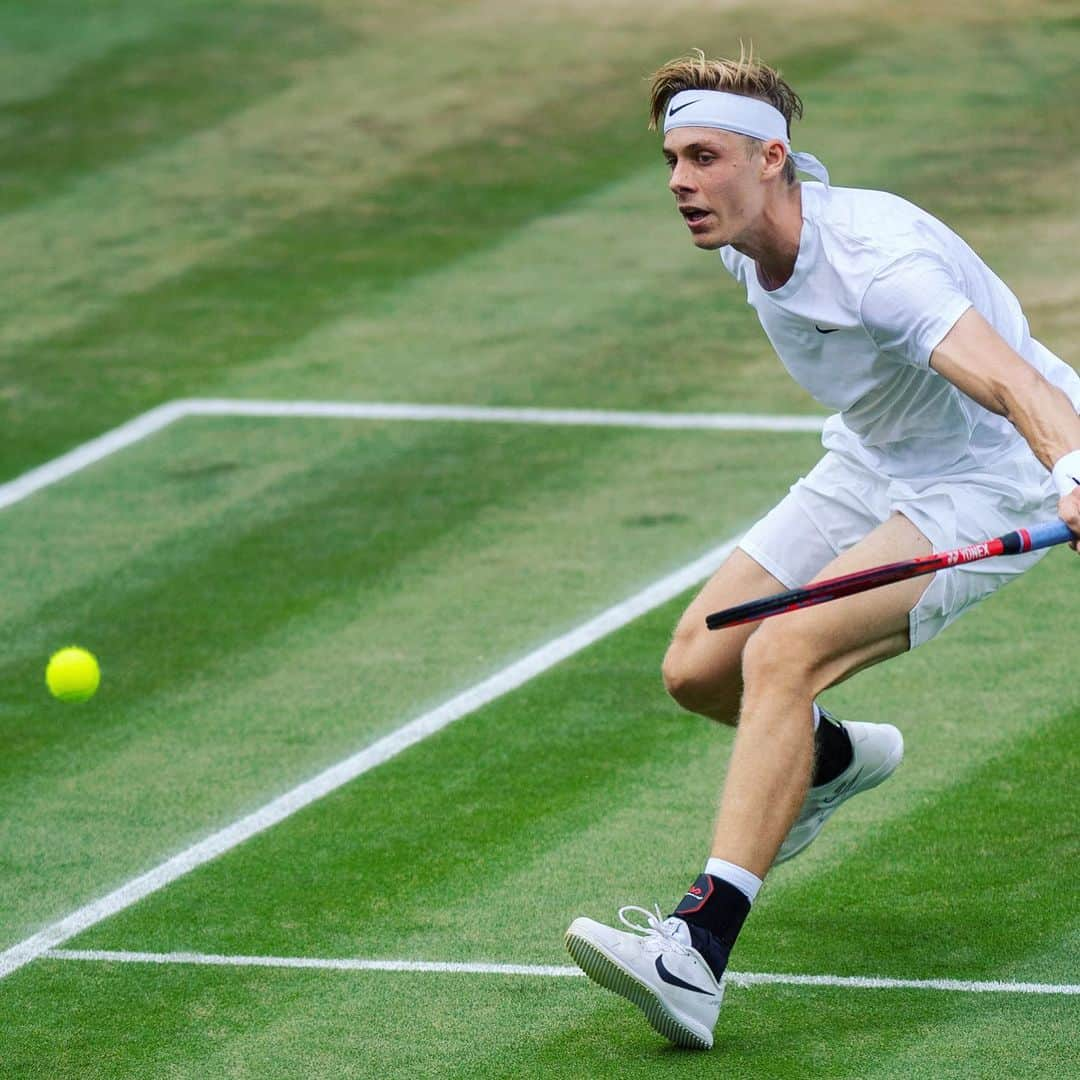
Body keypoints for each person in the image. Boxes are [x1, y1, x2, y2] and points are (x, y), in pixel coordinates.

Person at [563, 47, 1080, 1051]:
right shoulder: (743, 240)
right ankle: (828, 761)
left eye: (704, 156)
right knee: (699, 666)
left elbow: (1017, 382)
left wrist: (1076, 469)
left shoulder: (878, 264)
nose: (679, 182)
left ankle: (695, 952)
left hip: (985, 476)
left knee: (782, 651)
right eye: (672, 159)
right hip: (870, 458)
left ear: (773, 159)